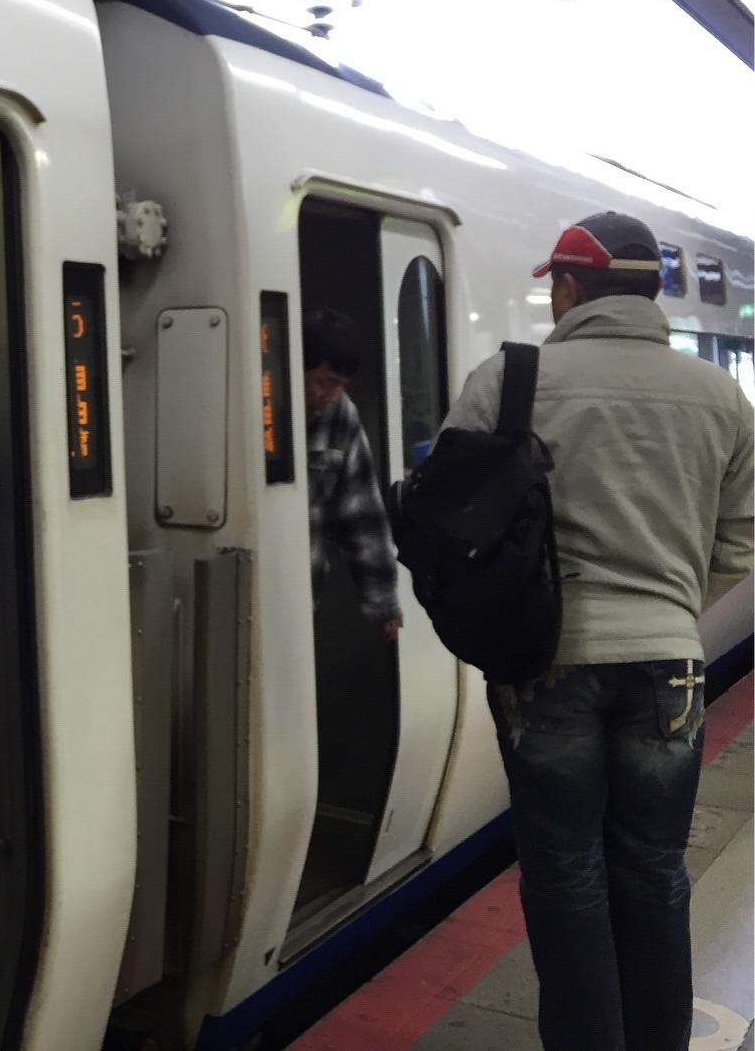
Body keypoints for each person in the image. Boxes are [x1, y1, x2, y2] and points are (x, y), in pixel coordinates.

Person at [443, 212, 753, 1051]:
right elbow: (742, 540)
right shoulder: (719, 395)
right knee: (652, 865)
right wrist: (672, 605)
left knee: (563, 870)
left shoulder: (506, 381)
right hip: (668, 666)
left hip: (546, 664)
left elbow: (448, 519)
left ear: (570, 288)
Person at [302, 309, 403, 641]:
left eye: (340, 386)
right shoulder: (256, 404)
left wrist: (383, 601)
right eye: (326, 382)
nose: (331, 395)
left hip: (302, 595)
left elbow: (361, 511)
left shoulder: (340, 415)